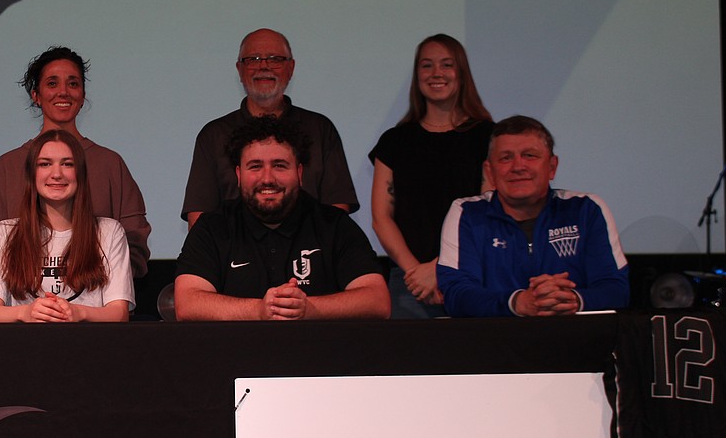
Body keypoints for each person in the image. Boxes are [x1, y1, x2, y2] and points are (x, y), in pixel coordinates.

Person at [174, 116, 389, 321]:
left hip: (318, 357)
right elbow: (187, 304)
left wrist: (308, 309)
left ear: (299, 172)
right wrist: (259, 310)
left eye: (279, 165)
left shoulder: (334, 224)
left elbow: (377, 301)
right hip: (237, 357)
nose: (267, 178)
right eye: (255, 166)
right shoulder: (212, 228)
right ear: (239, 175)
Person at [0, 46, 150, 289]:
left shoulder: (110, 164)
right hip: (23, 316)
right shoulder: (6, 168)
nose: (63, 92)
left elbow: (134, 246)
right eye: (52, 84)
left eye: (73, 84)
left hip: (95, 314)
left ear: (83, 94)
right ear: (36, 95)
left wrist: (93, 291)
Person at [436, 115, 629, 317]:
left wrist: (572, 300)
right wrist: (517, 302)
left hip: (575, 341)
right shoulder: (466, 213)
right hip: (495, 344)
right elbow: (457, 295)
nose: (518, 167)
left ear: (552, 167)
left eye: (530, 155)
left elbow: (616, 290)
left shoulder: (587, 209)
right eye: (506, 158)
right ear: (489, 171)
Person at [181, 28, 358, 229]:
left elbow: (337, 213)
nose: (263, 66)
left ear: (291, 68)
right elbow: (199, 219)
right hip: (234, 257)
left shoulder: (320, 130)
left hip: (308, 257)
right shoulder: (213, 136)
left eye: (275, 59)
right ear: (239, 69)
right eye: (253, 59)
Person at [368, 34, 493, 318]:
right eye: (427, 65)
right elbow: (381, 217)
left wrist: (439, 269)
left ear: (461, 73)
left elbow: (489, 214)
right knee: (408, 361)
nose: (436, 73)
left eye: (447, 64)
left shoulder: (487, 137)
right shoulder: (395, 141)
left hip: (473, 275)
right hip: (409, 283)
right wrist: (416, 273)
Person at [0, 129, 134, 322]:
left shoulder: (109, 231)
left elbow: (119, 313)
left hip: (89, 347)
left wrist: (78, 312)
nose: (57, 174)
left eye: (67, 164)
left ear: (81, 174)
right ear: (31, 175)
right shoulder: (5, 232)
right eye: (45, 164)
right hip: (24, 347)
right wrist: (26, 312)